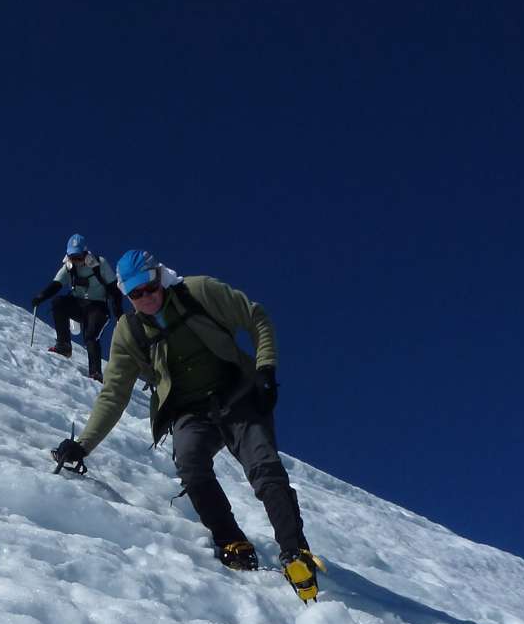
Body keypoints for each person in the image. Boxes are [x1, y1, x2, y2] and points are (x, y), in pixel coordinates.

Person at [50, 248, 323, 600]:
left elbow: (255, 316)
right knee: (191, 464)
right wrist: (83, 444)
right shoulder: (129, 332)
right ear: (126, 294)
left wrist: (265, 368)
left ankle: (295, 552)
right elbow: (114, 393)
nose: (146, 298)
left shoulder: (200, 291)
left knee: (264, 466)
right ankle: (231, 541)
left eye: (150, 287)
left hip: (238, 395)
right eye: (136, 293)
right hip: (188, 412)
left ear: (159, 276)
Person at [31, 234, 123, 383]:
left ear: (85, 253)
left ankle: (95, 373)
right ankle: (64, 346)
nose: (76, 261)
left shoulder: (100, 264)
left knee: (90, 335)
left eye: (78, 257)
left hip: (98, 307)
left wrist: (119, 314)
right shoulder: (69, 267)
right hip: (78, 304)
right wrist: (41, 296)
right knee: (58, 303)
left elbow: (114, 290)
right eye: (72, 257)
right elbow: (57, 284)